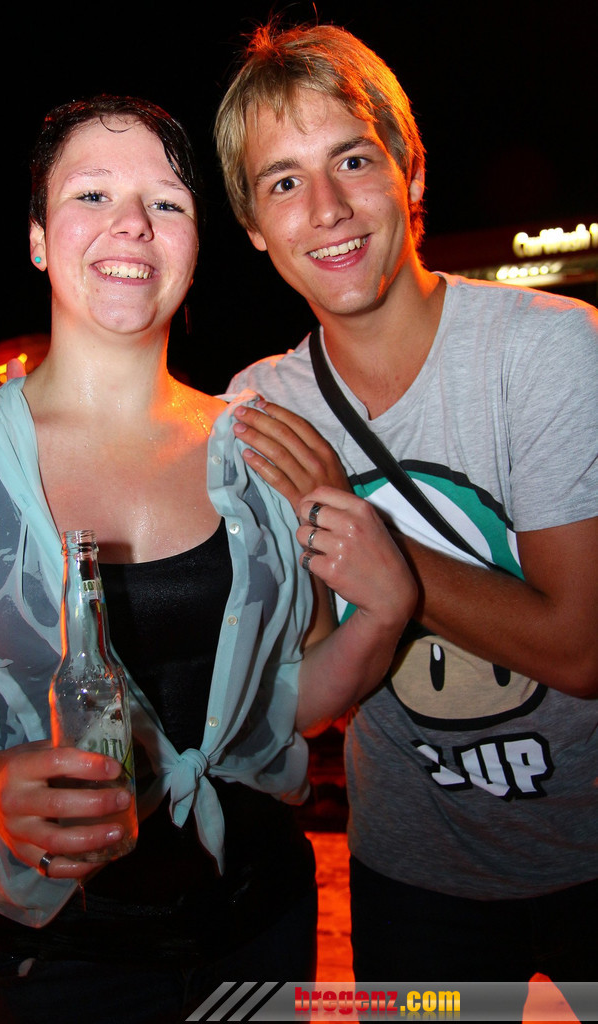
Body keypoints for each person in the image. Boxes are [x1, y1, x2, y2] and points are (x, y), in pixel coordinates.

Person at [0, 94, 416, 1023]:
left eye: (167, 202)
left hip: (263, 928)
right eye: (92, 194)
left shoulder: (261, 449)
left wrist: (385, 614)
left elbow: (291, 706)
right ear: (37, 238)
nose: (133, 224)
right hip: (59, 962)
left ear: (194, 243)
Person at [213, 21, 598, 988]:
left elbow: (581, 650)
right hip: (413, 886)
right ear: (253, 226)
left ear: (411, 173)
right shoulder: (259, 407)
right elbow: (299, 691)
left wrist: (362, 529)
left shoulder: (548, 347)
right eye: (283, 182)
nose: (328, 209)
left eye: (353, 160)